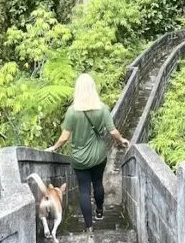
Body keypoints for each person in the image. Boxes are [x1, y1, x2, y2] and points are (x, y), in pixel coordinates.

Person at [47, 74, 130, 232]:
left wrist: (54, 147)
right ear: (93, 89)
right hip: (99, 156)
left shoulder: (72, 112)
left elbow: (64, 137)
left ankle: (89, 227)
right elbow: (113, 131)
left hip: (79, 158)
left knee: (84, 190)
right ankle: (99, 211)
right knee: (98, 183)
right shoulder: (102, 109)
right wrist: (122, 140)